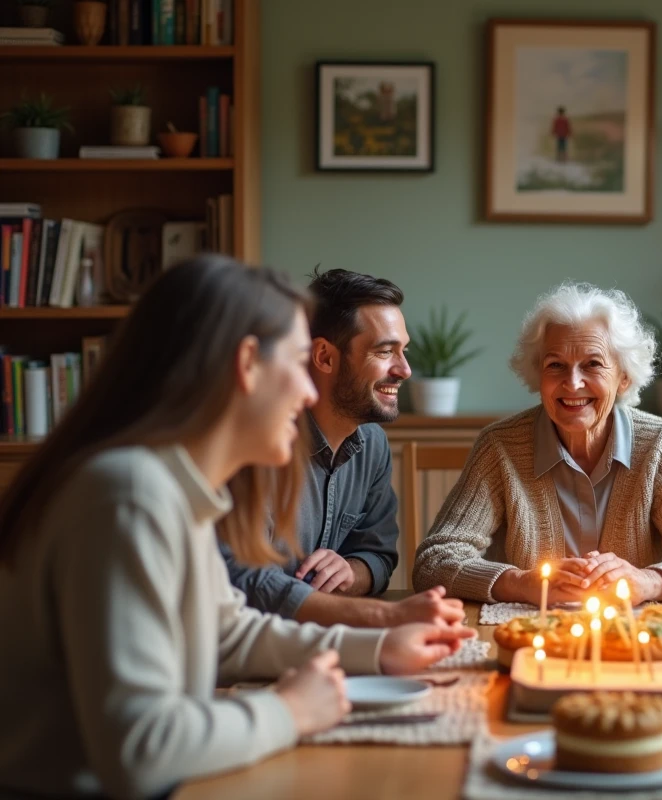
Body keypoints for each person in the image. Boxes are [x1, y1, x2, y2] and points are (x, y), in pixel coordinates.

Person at [0, 257, 475, 799]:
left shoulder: (170, 484)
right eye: (298, 363)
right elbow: (141, 752)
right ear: (248, 365)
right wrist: (288, 711)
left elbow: (229, 632)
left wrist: (379, 649)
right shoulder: (130, 495)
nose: (306, 391)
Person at [413, 282, 662, 605]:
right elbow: (434, 561)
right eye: (556, 365)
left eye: (593, 364)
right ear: (538, 374)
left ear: (623, 377)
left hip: (629, 640)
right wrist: (522, 584)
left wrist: (647, 581)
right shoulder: (499, 447)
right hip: (528, 638)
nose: (573, 383)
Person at [222, 268, 463, 629]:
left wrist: (351, 571)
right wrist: (385, 615)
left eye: (404, 351)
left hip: (318, 643)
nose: (405, 370)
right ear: (324, 357)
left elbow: (380, 554)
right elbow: (245, 584)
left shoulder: (373, 444)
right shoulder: (259, 445)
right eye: (385, 351)